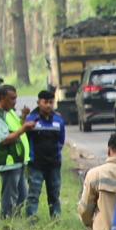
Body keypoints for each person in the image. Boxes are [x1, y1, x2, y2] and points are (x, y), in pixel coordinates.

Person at [24, 87, 70, 217]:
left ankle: (56, 218)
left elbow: (61, 140)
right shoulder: (31, 119)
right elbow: (25, 138)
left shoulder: (58, 120)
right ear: (39, 102)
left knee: (54, 194)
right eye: (45, 102)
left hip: (54, 164)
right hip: (35, 164)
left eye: (51, 102)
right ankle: (31, 218)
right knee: (33, 194)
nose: (48, 105)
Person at [0, 84, 32, 219]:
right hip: (8, 162)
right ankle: (7, 219)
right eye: (12, 98)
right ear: (2, 98)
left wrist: (24, 117)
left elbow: (17, 127)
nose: (15, 102)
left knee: (22, 195)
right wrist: (23, 129)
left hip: (17, 161)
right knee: (10, 196)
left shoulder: (9, 111)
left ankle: (16, 219)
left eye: (16, 98)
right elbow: (3, 139)